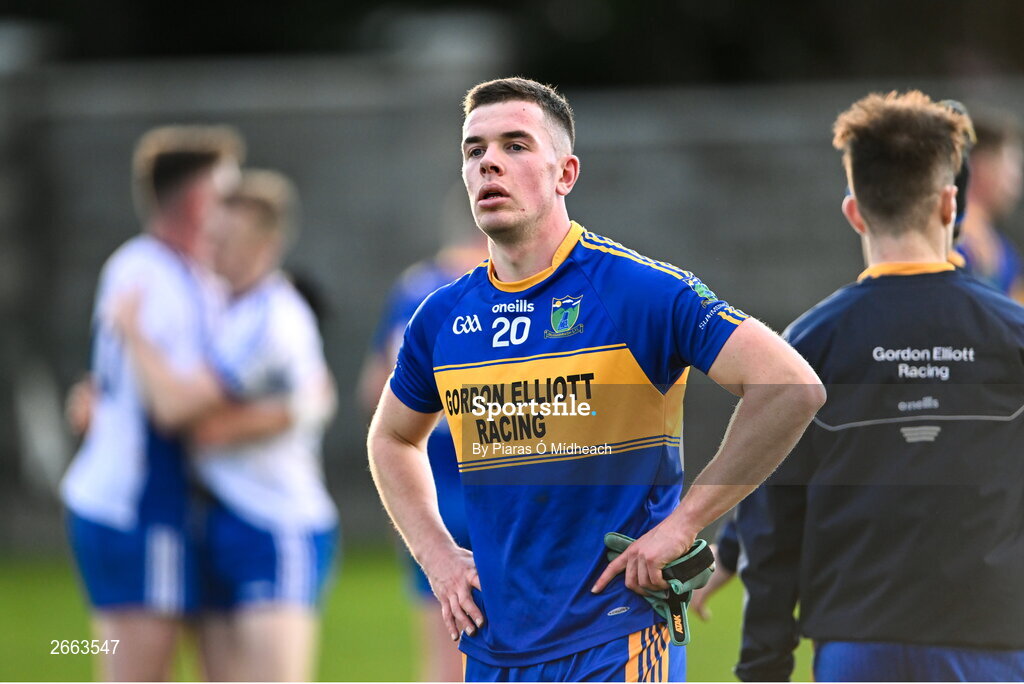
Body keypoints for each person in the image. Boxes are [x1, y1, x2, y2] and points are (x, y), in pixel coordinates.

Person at [367, 76, 824, 682]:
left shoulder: (639, 292)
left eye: (515, 145)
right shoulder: (442, 317)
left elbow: (790, 386)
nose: (490, 164)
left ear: (566, 174)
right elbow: (391, 438)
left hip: (618, 636)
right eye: (475, 151)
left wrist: (686, 523)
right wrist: (438, 557)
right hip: (492, 649)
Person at [735, 91, 1024, 681]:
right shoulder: (1013, 335)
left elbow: (772, 523)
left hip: (857, 646)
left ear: (855, 212)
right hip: (997, 644)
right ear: (950, 205)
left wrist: (764, 661)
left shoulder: (806, 346)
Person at [110, 169, 338, 682]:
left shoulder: (270, 318)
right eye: (210, 236)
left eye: (226, 241)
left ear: (267, 245)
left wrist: (133, 335)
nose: (210, 251)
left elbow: (183, 417)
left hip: (276, 524)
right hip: (218, 521)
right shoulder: (221, 304)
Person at [60, 125, 244, 681]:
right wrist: (285, 408)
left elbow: (108, 387)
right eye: (228, 196)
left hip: (136, 503)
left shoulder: (151, 267)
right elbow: (174, 405)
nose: (235, 212)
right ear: (197, 202)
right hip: (139, 508)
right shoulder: (155, 276)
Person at [357, 185, 487, 683]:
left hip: (425, 490)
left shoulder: (415, 288)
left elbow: (375, 391)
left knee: (444, 659)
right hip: (496, 481)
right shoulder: (501, 289)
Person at [955, 108, 1024, 301]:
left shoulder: (1005, 251)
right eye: (1011, 168)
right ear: (981, 168)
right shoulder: (945, 246)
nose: (1016, 182)